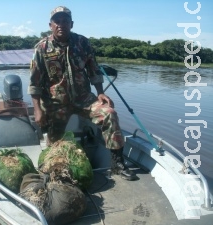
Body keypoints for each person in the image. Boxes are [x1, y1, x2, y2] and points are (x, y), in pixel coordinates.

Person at [28, 6, 138, 181]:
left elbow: (94, 70)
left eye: (65, 21)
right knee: (54, 143)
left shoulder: (83, 43)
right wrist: (37, 109)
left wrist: (100, 93)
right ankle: (52, 168)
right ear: (51, 25)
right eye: (57, 21)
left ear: (71, 24)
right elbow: (35, 82)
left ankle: (117, 164)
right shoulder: (41, 48)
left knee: (109, 113)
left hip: (83, 98)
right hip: (55, 103)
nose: (61, 24)